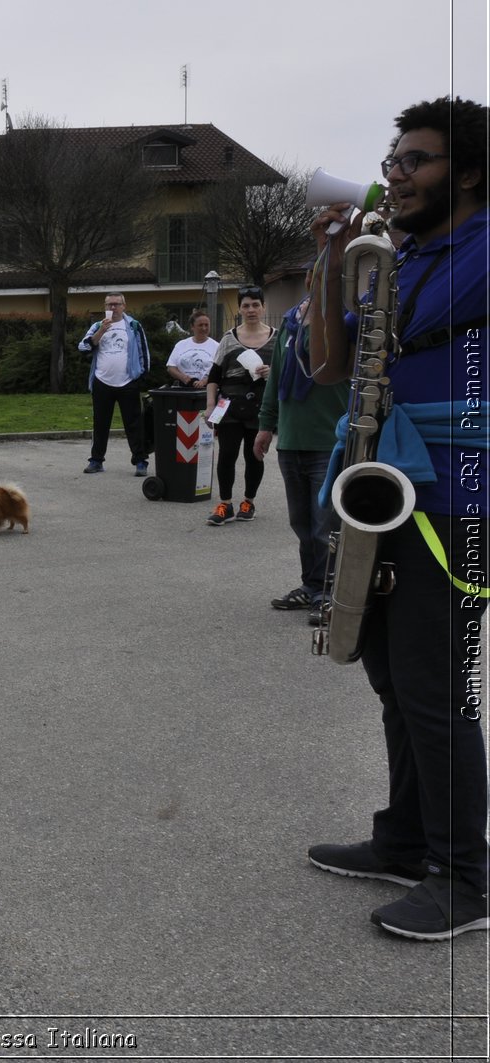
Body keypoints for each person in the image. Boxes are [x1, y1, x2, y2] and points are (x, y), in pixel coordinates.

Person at [304, 95, 488, 940]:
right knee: (389, 676)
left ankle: (467, 876)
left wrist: (376, 258)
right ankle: (407, 838)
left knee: (435, 689)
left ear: (471, 171)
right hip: (387, 481)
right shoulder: (400, 254)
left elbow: (402, 330)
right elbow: (330, 363)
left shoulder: (479, 248)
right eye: (394, 161)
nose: (398, 174)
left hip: (454, 498)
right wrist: (333, 258)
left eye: (417, 160)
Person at [253, 292, 347, 616]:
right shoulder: (290, 327)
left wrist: (318, 318)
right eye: (310, 276)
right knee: (302, 524)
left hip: (327, 442)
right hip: (291, 442)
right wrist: (266, 425)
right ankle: (311, 586)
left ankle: (329, 592)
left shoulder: (341, 322)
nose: (313, 282)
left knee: (325, 526)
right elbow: (275, 379)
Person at [203, 287, 274, 526]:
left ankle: (248, 502)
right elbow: (214, 376)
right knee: (227, 455)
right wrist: (210, 405)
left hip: (261, 408)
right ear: (240, 309)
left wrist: (271, 372)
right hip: (230, 405)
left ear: (263, 307)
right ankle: (225, 504)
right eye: (246, 305)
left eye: (255, 304)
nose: (251, 310)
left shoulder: (277, 337)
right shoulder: (228, 338)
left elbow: (288, 375)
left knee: (254, 455)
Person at [76, 291, 151, 476]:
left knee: (134, 424)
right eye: (109, 304)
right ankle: (96, 461)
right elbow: (83, 347)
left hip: (128, 382)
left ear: (124, 306)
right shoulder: (97, 326)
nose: (113, 308)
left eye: (117, 304)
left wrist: (140, 377)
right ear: (105, 307)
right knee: (100, 423)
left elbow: (144, 352)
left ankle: (140, 461)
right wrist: (102, 330)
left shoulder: (133, 325)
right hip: (102, 382)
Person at [165, 310, 218, 388]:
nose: (204, 328)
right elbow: (171, 367)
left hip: (206, 390)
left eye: (206, 325)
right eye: (200, 325)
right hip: (183, 389)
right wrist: (183, 377)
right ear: (192, 327)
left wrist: (204, 381)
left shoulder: (217, 346)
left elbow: (219, 371)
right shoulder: (181, 345)